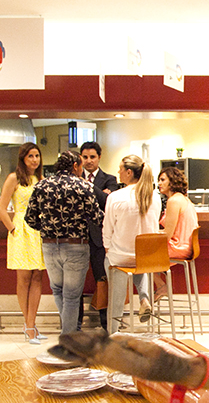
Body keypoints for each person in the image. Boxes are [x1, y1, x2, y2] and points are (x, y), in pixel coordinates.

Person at [25, 151, 104, 335]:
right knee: (71, 295)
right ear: (75, 166)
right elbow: (96, 217)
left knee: (57, 290)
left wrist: (47, 228)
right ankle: (69, 337)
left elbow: (30, 218)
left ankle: (70, 332)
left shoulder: (42, 185)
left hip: (50, 245)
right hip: (76, 245)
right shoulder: (83, 186)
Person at [102, 155, 161, 334]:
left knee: (113, 268)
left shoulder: (115, 197)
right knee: (138, 262)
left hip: (121, 259)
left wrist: (107, 248)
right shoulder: (155, 197)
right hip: (148, 260)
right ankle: (144, 298)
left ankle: (112, 333)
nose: (118, 173)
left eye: (120, 169)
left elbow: (107, 229)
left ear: (129, 172)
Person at [0, 142, 46, 344]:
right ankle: (28, 325)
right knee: (24, 278)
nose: (34, 160)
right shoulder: (13, 178)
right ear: (23, 158)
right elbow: (1, 207)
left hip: (38, 230)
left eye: (37, 156)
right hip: (21, 229)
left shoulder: (41, 179)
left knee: (37, 276)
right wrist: (13, 228)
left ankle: (32, 324)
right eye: (30, 156)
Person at [78, 141, 119, 330]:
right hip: (76, 236)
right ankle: (75, 323)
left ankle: (106, 324)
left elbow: (107, 202)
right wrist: (97, 193)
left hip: (99, 238)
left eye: (92, 157)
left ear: (99, 157)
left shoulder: (110, 179)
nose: (88, 161)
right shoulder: (73, 178)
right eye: (85, 157)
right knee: (74, 282)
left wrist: (85, 185)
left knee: (102, 279)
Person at [153, 167, 198, 300]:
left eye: (162, 180)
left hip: (178, 247)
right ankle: (158, 287)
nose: (159, 183)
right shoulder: (184, 199)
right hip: (188, 247)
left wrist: (150, 234)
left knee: (139, 255)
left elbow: (167, 235)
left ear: (172, 181)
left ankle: (160, 286)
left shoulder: (173, 201)